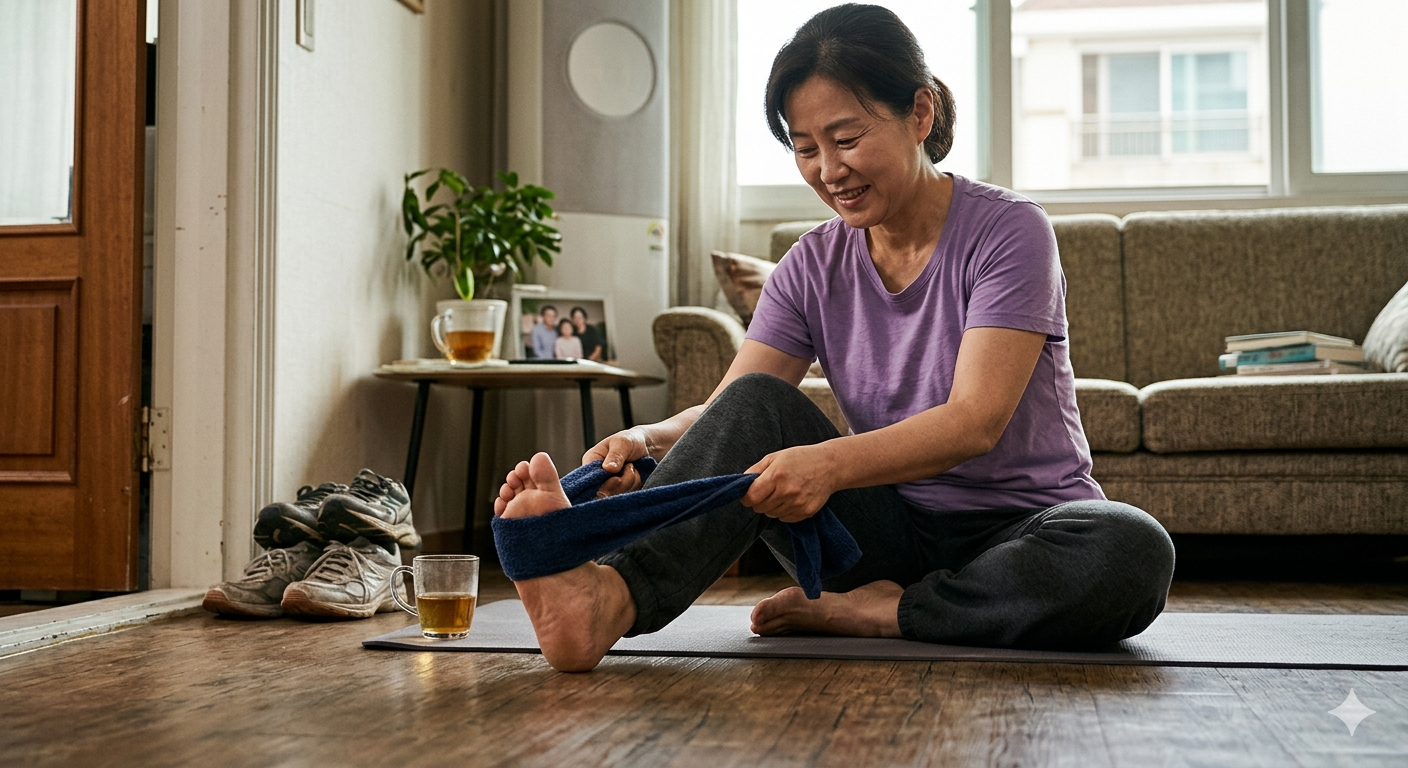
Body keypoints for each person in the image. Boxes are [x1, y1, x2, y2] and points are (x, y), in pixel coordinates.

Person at [494, 3, 1174, 673]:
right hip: (878, 532)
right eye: (805, 148)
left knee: (1131, 551)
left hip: (1023, 535)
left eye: (847, 140)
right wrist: (647, 442)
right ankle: (605, 598)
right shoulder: (811, 263)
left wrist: (828, 465)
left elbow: (974, 423)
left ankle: (884, 613)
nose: (828, 170)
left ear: (921, 113)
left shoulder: (1008, 232)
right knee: (761, 400)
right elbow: (734, 409)